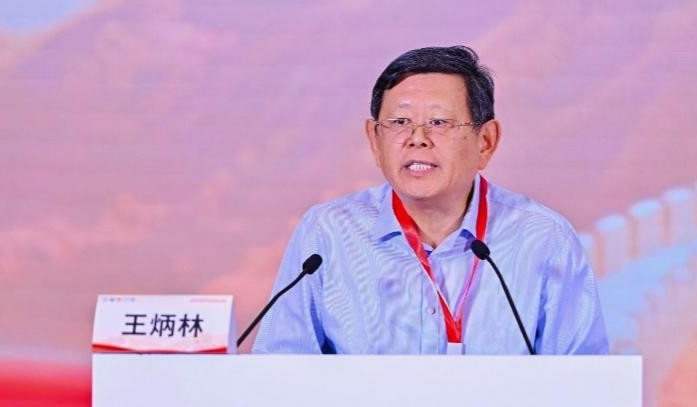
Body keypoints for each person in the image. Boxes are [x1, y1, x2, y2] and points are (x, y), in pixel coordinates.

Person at [253, 46, 607, 355]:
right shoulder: (328, 232)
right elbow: (279, 373)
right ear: (374, 140)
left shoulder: (543, 237)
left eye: (439, 122)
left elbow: (584, 384)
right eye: (399, 121)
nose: (417, 138)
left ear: (485, 141)